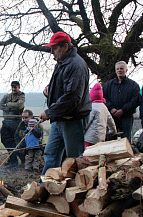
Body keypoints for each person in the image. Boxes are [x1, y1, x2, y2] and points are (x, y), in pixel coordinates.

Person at [40, 31, 91, 177]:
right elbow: (63, 90)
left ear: (65, 47)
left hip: (73, 120)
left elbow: (72, 97)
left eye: (54, 48)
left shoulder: (76, 65)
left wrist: (49, 112)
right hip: (60, 118)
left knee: (75, 159)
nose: (51, 52)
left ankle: (79, 192)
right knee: (51, 154)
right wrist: (49, 92)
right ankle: (45, 188)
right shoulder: (61, 64)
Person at [103, 61, 140, 143]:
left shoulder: (134, 86)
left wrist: (123, 110)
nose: (119, 70)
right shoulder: (108, 85)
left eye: (121, 69)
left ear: (126, 70)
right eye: (118, 69)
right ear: (115, 70)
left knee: (126, 141)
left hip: (126, 117)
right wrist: (111, 108)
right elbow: (104, 98)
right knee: (110, 140)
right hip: (112, 117)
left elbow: (135, 101)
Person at [0, 81, 25, 169]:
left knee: (15, 142)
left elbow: (19, 105)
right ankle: (14, 158)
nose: (13, 89)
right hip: (6, 121)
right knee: (4, 139)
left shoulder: (21, 96)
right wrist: (11, 107)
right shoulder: (7, 96)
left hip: (16, 122)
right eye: (12, 87)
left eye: (15, 87)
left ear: (19, 87)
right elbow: (0, 105)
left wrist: (8, 105)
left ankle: (15, 161)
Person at [84, 83, 117, 148]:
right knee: (98, 153)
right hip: (101, 137)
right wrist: (113, 131)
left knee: (88, 153)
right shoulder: (104, 107)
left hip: (90, 138)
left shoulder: (92, 107)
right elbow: (111, 121)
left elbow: (88, 121)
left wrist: (82, 130)